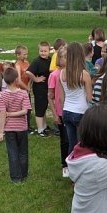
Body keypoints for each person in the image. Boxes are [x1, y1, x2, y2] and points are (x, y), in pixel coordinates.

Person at [0, 67, 32, 183]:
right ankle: (24, 174)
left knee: (12, 153)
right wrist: (10, 114)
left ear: (4, 80)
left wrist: (1, 131)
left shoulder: (1, 95)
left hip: (9, 128)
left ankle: (16, 178)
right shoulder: (24, 93)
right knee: (23, 152)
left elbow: (2, 114)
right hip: (21, 127)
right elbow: (25, 111)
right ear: (17, 80)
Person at [59, 43, 92, 164]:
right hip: (80, 112)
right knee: (82, 144)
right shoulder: (84, 74)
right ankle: (81, 171)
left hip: (67, 111)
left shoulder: (62, 73)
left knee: (71, 144)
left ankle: (71, 170)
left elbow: (61, 98)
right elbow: (90, 97)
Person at [48, 46, 70, 177]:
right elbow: (50, 96)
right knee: (65, 139)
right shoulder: (54, 75)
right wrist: (55, 114)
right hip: (61, 112)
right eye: (62, 57)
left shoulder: (73, 73)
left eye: (67, 57)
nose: (64, 59)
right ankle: (65, 164)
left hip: (72, 110)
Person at [26, 41, 52, 137]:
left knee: (44, 106)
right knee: (40, 108)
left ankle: (44, 126)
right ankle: (40, 130)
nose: (43, 53)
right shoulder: (37, 61)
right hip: (40, 88)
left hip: (46, 87)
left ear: (49, 51)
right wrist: (36, 79)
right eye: (41, 51)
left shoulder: (49, 59)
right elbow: (28, 72)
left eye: (45, 51)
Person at [14, 45, 33, 132]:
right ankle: (22, 126)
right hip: (20, 91)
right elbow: (18, 81)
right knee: (22, 109)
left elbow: (29, 75)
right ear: (18, 55)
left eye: (26, 54)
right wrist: (27, 88)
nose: (26, 56)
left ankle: (27, 126)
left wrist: (29, 85)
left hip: (26, 89)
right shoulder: (17, 65)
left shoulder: (27, 63)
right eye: (24, 54)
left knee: (28, 108)